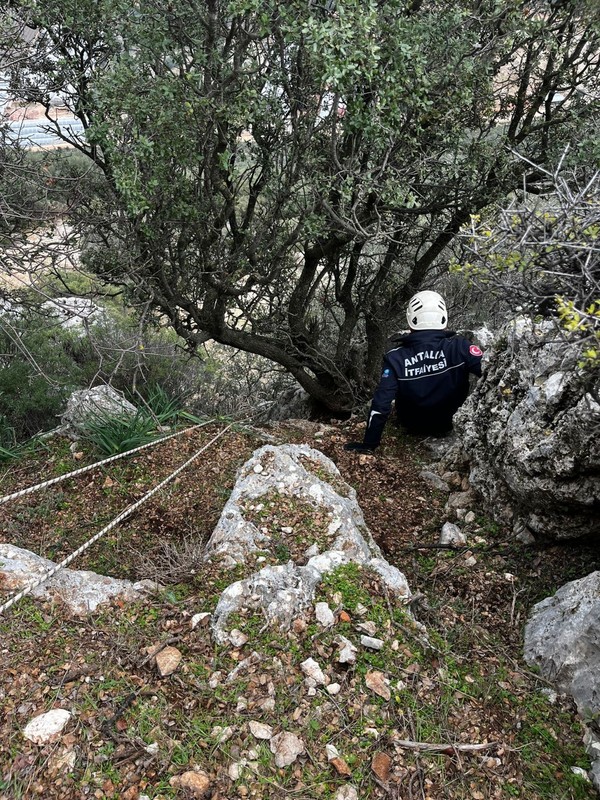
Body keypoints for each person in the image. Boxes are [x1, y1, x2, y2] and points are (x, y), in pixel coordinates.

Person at [344, 290, 483, 453]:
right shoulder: (461, 347)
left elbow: (381, 403)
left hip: (412, 425)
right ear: (443, 318)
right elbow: (489, 374)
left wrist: (369, 443)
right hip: (451, 422)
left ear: (411, 321)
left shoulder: (395, 357)